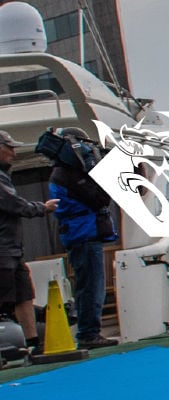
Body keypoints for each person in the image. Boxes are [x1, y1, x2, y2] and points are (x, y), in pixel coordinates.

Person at [45, 128, 119, 349]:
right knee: (91, 285)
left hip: (81, 233)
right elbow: (100, 199)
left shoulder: (62, 172)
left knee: (89, 283)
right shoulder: (69, 174)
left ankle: (89, 332)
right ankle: (89, 333)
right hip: (83, 234)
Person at [0, 130, 59, 356]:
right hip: (3, 250)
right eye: (10, 147)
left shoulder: (4, 176)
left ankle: (32, 343)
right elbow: (14, 204)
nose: (14, 152)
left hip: (12, 249)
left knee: (24, 294)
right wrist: (43, 208)